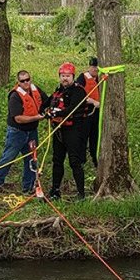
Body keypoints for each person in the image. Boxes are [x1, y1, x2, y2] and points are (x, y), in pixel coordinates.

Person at [0, 70, 46, 195]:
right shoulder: (15, 96)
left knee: (31, 160)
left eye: (27, 79)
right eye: (22, 81)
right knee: (8, 158)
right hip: (17, 132)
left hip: (32, 132)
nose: (26, 82)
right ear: (18, 82)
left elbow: (46, 101)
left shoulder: (36, 90)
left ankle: (28, 187)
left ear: (31, 79)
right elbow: (18, 118)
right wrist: (37, 117)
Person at [44, 62, 88, 200]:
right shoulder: (59, 90)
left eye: (68, 76)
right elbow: (47, 103)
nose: (65, 78)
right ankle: (55, 190)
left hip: (73, 130)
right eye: (63, 76)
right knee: (57, 160)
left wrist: (56, 114)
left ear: (73, 76)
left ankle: (81, 194)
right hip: (59, 130)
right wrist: (45, 112)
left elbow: (71, 109)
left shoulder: (79, 91)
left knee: (74, 161)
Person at [75, 57, 102, 168]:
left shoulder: (100, 78)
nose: (95, 69)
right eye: (93, 67)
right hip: (86, 113)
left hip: (96, 113)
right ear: (89, 67)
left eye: (97, 67)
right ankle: (81, 160)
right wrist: (92, 101)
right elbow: (78, 95)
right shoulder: (83, 78)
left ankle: (95, 158)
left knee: (95, 136)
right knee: (83, 136)